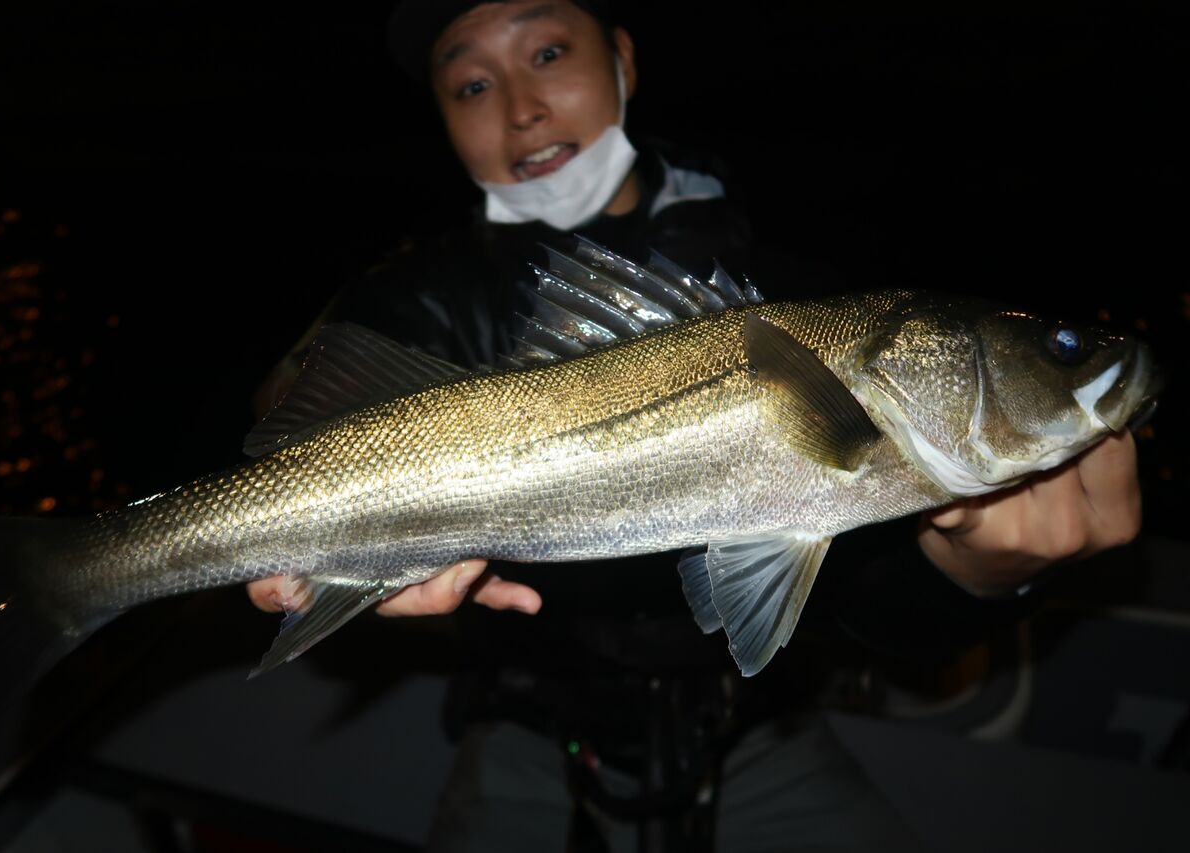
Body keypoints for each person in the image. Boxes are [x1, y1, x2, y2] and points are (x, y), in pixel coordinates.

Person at [247, 2, 1143, 849]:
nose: (521, 108)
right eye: (472, 83)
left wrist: (978, 573)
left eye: (548, 52)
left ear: (623, 58)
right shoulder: (410, 302)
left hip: (757, 734)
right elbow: (283, 429)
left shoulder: (797, 290)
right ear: (442, 118)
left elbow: (869, 604)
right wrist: (308, 532)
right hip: (522, 735)